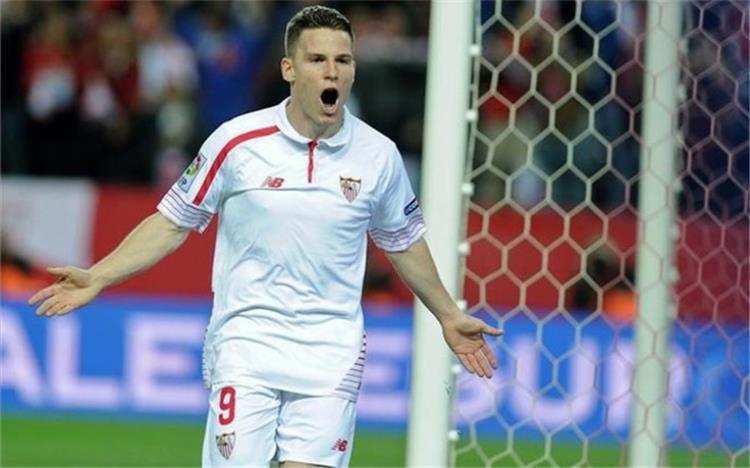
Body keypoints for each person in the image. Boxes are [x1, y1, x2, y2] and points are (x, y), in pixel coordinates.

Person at [29, 5, 502, 467]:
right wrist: (99, 276)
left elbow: (403, 242)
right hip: (247, 346)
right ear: (289, 69)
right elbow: (172, 222)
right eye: (317, 59)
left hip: (331, 356)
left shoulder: (379, 156)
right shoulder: (237, 142)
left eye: (343, 60)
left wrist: (447, 314)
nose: (332, 71)